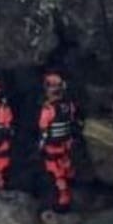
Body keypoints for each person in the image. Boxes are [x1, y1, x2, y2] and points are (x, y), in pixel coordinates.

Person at [37, 71, 77, 213]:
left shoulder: (48, 109)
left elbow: (43, 129)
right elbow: (72, 122)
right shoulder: (69, 105)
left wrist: (40, 147)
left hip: (53, 147)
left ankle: (63, 203)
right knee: (66, 169)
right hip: (67, 144)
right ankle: (71, 192)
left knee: (57, 174)